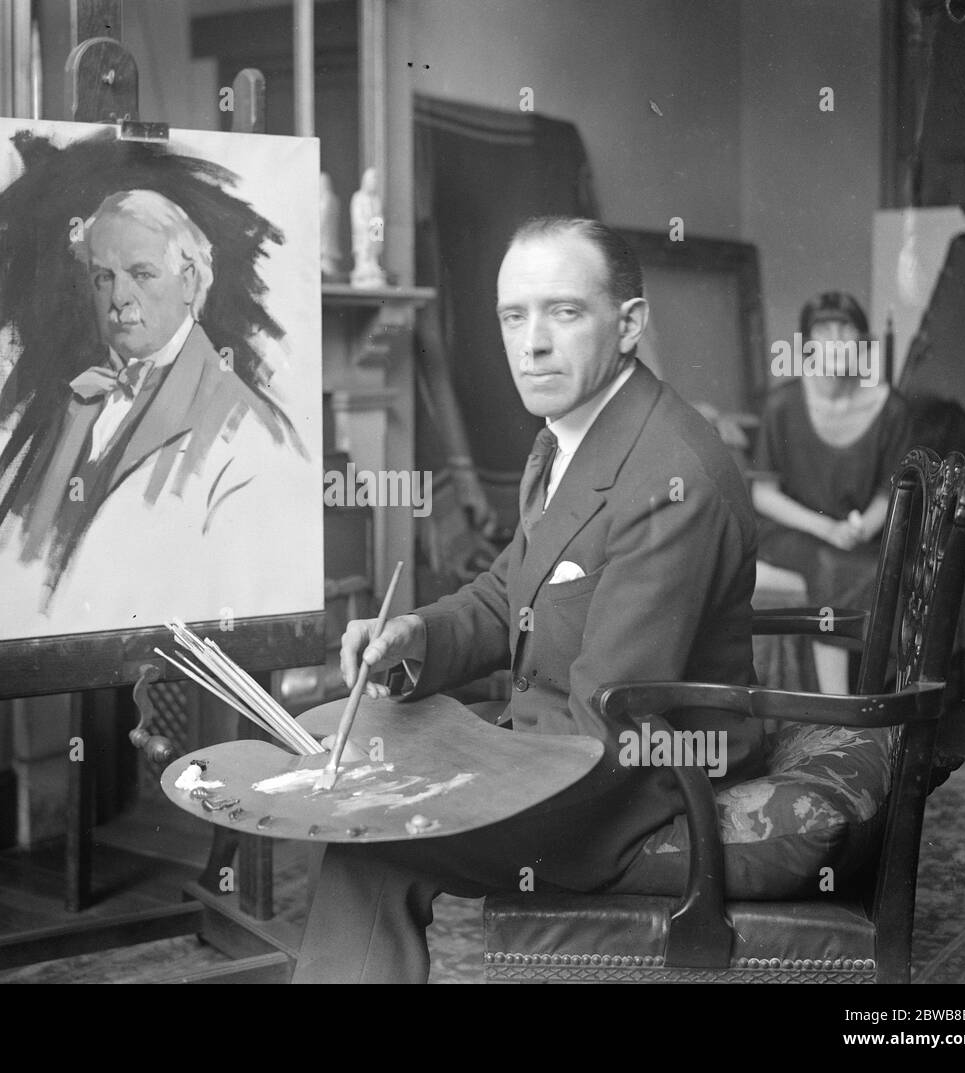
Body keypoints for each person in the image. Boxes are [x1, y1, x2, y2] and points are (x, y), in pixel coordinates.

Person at [291, 217, 765, 984]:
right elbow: (511, 591)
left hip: (644, 792)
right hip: (560, 749)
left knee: (373, 831)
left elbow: (608, 723)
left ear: (630, 325)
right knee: (374, 781)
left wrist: (446, 775)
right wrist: (415, 633)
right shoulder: (571, 435)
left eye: (564, 312)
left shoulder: (670, 481)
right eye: (514, 316)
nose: (532, 344)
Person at [0, 189, 291, 607]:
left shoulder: (241, 425)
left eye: (141, 274)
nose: (118, 297)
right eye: (104, 277)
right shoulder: (82, 398)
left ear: (189, 281)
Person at [751, 291, 912, 693]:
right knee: (832, 564)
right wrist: (827, 530)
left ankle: (889, 697)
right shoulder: (782, 404)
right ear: (807, 345)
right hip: (794, 531)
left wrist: (861, 529)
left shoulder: (892, 408)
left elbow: (889, 491)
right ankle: (836, 705)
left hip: (861, 533)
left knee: (899, 571)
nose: (837, 342)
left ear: (864, 342)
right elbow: (764, 495)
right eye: (824, 331)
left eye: (847, 329)